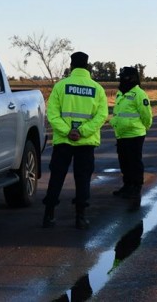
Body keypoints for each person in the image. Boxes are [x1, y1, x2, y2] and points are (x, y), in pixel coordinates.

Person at [42, 51, 108, 230]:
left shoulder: (61, 86)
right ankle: (81, 217)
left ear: (71, 66)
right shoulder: (97, 89)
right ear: (88, 67)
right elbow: (102, 115)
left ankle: (48, 215)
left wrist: (67, 132)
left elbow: (52, 114)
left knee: (56, 177)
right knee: (83, 179)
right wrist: (82, 132)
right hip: (85, 143)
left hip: (64, 142)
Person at [109, 67, 153, 211]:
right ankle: (127, 185)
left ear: (132, 78)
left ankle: (136, 187)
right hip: (121, 134)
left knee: (134, 162)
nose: (121, 79)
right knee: (124, 161)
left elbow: (146, 114)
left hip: (135, 134)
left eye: (124, 76)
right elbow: (118, 112)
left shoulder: (139, 94)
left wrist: (145, 127)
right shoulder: (120, 93)